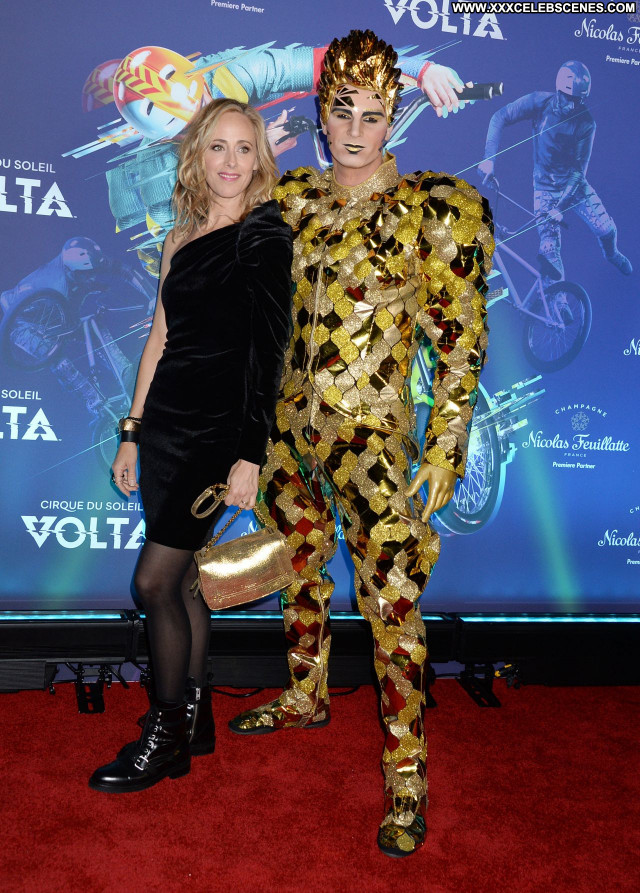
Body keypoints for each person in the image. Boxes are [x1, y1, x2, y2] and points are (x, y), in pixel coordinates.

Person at [228, 30, 494, 857]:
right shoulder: (289, 200)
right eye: (341, 110)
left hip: (374, 442)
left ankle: (407, 775)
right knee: (296, 567)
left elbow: (459, 345)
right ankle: (305, 693)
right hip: (287, 434)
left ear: (393, 118)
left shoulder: (430, 211)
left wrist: (446, 446)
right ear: (321, 112)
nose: (354, 129)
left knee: (394, 606)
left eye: (372, 114)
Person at [88, 98, 293, 794]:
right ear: (196, 156)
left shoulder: (264, 235)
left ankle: (166, 733)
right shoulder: (179, 235)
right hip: (167, 428)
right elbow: (159, 337)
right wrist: (132, 430)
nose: (231, 161)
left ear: (260, 160)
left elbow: (269, 353)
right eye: (218, 147)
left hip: (216, 432)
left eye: (244, 148)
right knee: (181, 583)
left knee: (153, 582)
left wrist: (250, 454)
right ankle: (195, 722)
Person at [478, 60, 631, 286]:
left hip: (575, 185)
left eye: (577, 100)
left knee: (605, 229)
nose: (571, 105)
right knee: (549, 250)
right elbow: (500, 117)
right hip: (545, 188)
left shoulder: (586, 123)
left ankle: (612, 254)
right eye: (567, 98)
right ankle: (559, 301)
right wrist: (489, 159)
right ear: (558, 91)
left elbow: (578, 171)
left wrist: (560, 207)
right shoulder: (538, 102)